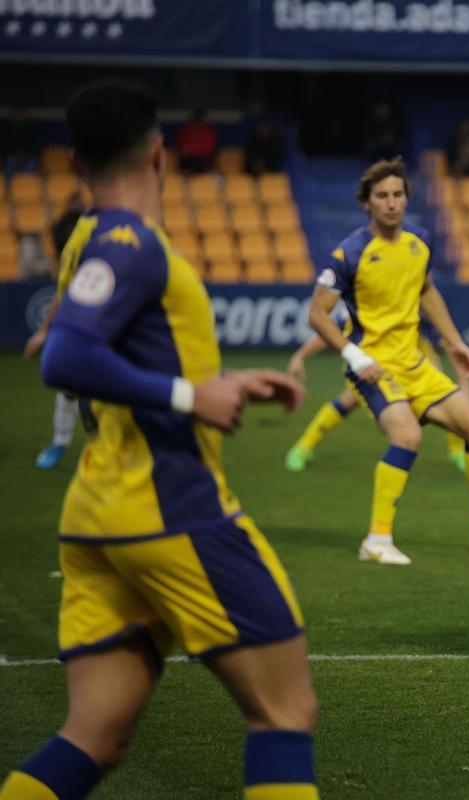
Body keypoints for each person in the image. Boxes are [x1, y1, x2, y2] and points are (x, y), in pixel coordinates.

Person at [0, 81, 319, 800]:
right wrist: (191, 396)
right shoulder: (129, 241)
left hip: (96, 518)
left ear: (75, 162)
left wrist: (225, 380)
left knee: (95, 736)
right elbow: (66, 358)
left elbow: (109, 351)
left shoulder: (85, 238)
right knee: (285, 712)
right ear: (159, 154)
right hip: (172, 507)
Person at [307, 156, 469, 565]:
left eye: (398, 194)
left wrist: (454, 344)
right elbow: (316, 315)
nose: (391, 202)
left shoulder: (419, 243)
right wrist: (353, 355)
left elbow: (427, 292)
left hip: (415, 364)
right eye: (382, 196)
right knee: (407, 437)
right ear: (367, 203)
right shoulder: (350, 254)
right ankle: (376, 540)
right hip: (373, 366)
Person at [284, 321, 469, 474]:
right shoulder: (364, 297)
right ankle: (302, 448)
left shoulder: (414, 293)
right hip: (375, 355)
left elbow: (447, 339)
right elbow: (331, 329)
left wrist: (464, 383)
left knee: (440, 391)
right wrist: (300, 355)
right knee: (351, 399)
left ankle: (456, 451)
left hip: (412, 353)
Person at [26, 191, 90, 469]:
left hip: (113, 327)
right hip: (80, 324)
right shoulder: (76, 249)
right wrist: (43, 332)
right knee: (69, 388)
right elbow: (63, 294)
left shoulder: (121, 242)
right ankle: (60, 442)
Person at [174, 109, 217, 174]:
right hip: (188, 160)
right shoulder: (186, 129)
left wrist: (192, 150)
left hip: (203, 160)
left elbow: (209, 149)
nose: (198, 121)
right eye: (196, 118)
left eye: (200, 119)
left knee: (199, 162)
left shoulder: (208, 131)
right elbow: (179, 144)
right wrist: (186, 150)